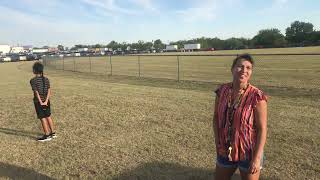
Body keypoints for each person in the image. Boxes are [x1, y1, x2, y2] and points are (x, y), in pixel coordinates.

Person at [213, 54, 267, 180]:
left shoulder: (257, 96)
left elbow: (262, 129)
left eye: (248, 68)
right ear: (232, 69)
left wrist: (257, 158)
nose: (244, 71)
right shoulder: (222, 91)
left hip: (249, 152)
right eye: (240, 66)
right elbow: (216, 118)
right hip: (225, 149)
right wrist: (218, 142)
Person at [30, 62, 57, 142]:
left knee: (42, 118)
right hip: (47, 101)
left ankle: (47, 135)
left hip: (39, 102)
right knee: (48, 116)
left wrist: (41, 102)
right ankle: (53, 133)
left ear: (34, 70)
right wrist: (46, 101)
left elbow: (36, 92)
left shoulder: (33, 80)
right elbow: (49, 90)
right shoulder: (46, 79)